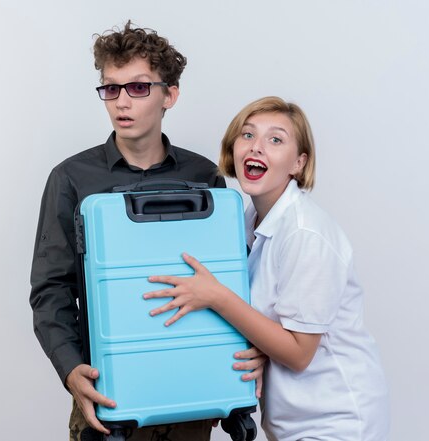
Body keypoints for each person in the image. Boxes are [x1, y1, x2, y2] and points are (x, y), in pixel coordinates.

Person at [29, 22, 264, 441]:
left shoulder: (205, 176)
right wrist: (70, 371)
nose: (122, 102)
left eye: (138, 88)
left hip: (192, 389)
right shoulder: (70, 179)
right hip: (110, 398)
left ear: (169, 95)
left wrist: (236, 360)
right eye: (111, 88)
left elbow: (226, 282)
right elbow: (50, 291)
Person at [144, 96, 390, 441]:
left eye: (275, 140)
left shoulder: (306, 234)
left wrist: (216, 296)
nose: (256, 147)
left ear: (299, 163)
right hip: (291, 422)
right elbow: (264, 326)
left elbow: (299, 352)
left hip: (337, 421)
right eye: (247, 135)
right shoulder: (246, 222)